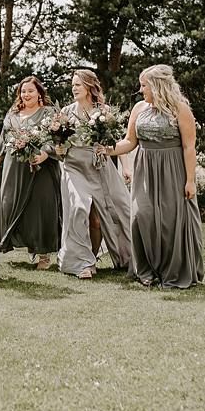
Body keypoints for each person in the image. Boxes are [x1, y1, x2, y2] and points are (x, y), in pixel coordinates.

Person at [107, 64, 204, 288]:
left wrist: (190, 181)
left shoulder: (180, 109)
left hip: (172, 169)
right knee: (142, 215)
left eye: (144, 86)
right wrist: (107, 149)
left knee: (170, 220)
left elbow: (189, 147)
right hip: (145, 168)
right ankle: (146, 269)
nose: (141, 90)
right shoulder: (139, 108)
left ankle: (172, 270)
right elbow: (130, 141)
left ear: (157, 86)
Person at [57, 69, 132, 279]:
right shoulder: (66, 112)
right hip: (74, 167)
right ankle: (83, 263)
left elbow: (115, 142)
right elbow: (59, 144)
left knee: (107, 216)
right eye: (72, 85)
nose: (74, 88)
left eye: (78, 85)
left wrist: (125, 166)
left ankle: (97, 258)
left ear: (89, 86)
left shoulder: (104, 111)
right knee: (79, 208)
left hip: (100, 166)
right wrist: (59, 150)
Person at [0, 76, 61, 270]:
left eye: (30, 90)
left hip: (41, 168)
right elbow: (3, 141)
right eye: (23, 91)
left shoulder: (49, 112)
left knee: (40, 209)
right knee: (8, 204)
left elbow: (58, 139)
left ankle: (44, 254)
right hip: (14, 168)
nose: (26, 94)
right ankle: (21, 243)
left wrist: (46, 153)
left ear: (39, 93)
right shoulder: (13, 113)